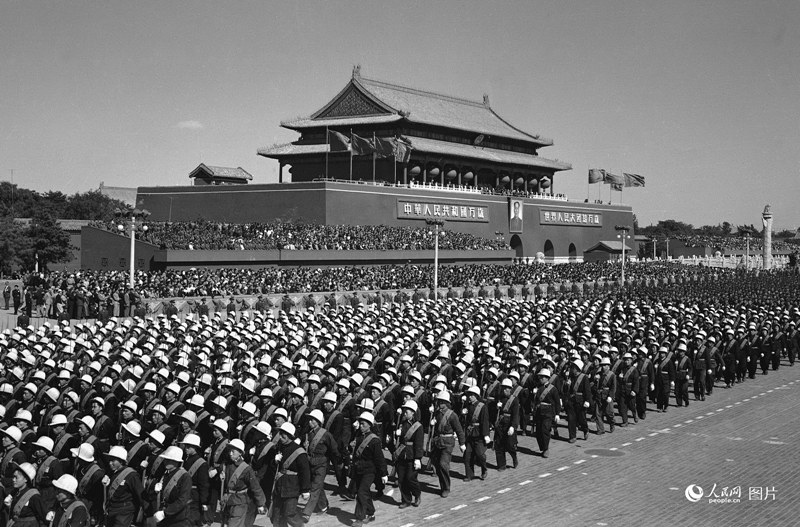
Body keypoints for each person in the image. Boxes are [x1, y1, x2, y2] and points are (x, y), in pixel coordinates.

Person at [350, 413, 386, 527]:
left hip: (369, 470)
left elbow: (379, 458)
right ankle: (371, 513)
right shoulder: (358, 435)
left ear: (369, 425)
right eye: (360, 424)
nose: (360, 426)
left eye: (363, 424)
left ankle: (359, 518)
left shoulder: (374, 440)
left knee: (361, 492)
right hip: (358, 468)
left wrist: (383, 473)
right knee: (364, 492)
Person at [270, 424, 309, 527]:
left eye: (284, 435)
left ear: (290, 436)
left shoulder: (299, 451)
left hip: (292, 487)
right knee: (277, 516)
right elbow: (274, 469)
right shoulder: (279, 447)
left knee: (289, 514)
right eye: (280, 434)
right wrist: (274, 461)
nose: (281, 437)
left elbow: (305, 472)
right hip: (279, 486)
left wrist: (305, 490)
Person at [301, 410, 337, 522]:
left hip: (321, 464)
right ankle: (323, 505)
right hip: (310, 462)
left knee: (315, 488)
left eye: (313, 420)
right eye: (309, 419)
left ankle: (307, 512)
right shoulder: (308, 433)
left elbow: (334, 449)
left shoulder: (326, 434)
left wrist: (337, 463)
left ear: (318, 422)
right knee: (317, 486)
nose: (310, 422)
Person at [429, 391, 465, 498]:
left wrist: (462, 443)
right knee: (437, 465)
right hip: (437, 442)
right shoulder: (436, 413)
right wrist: (432, 422)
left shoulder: (452, 415)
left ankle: (446, 487)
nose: (439, 403)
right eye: (438, 401)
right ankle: (442, 485)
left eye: (441, 402)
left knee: (443, 464)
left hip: (448, 443)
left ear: (446, 403)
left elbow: (459, 430)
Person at [103, 445, 144, 527]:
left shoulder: (131, 475)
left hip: (124, 512)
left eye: (113, 461)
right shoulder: (112, 472)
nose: (110, 463)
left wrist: (148, 515)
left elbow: (142, 495)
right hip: (112, 510)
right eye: (109, 460)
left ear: (121, 461)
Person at [393, 400, 423, 509]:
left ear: (413, 413)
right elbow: (399, 441)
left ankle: (417, 494)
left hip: (411, 455)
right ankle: (406, 500)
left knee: (410, 478)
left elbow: (419, 443)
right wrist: (396, 434)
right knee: (401, 479)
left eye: (407, 411)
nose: (405, 413)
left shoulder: (418, 426)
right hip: (402, 454)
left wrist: (418, 458)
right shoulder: (402, 423)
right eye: (404, 411)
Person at [152, 446, 192, 527]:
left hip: (178, 519)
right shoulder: (166, 473)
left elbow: (182, 500)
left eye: (169, 460)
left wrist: (165, 513)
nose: (166, 462)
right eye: (165, 459)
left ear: (176, 462)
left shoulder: (185, 476)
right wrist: (157, 492)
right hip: (165, 516)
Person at [462, 386, 489, 482]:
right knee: (467, 455)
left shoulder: (482, 406)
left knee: (479, 454)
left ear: (476, 396)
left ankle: (484, 468)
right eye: (469, 395)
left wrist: (486, 435)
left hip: (479, 434)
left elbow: (484, 421)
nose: (470, 397)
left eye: (472, 395)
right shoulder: (467, 405)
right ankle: (469, 475)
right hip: (469, 434)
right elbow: (465, 421)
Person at [6, 462, 46, 527]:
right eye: (13, 477)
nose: (13, 480)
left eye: (16, 477)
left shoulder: (34, 496)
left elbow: (43, 516)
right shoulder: (16, 492)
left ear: (25, 479)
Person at [532, 368, 561, 458]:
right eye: (540, 377)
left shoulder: (553, 389)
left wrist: (557, 414)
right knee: (538, 431)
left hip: (548, 412)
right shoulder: (538, 387)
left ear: (547, 378)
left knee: (545, 429)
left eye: (542, 377)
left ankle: (546, 449)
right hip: (539, 411)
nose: (540, 379)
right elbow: (535, 401)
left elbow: (557, 402)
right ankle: (542, 447)